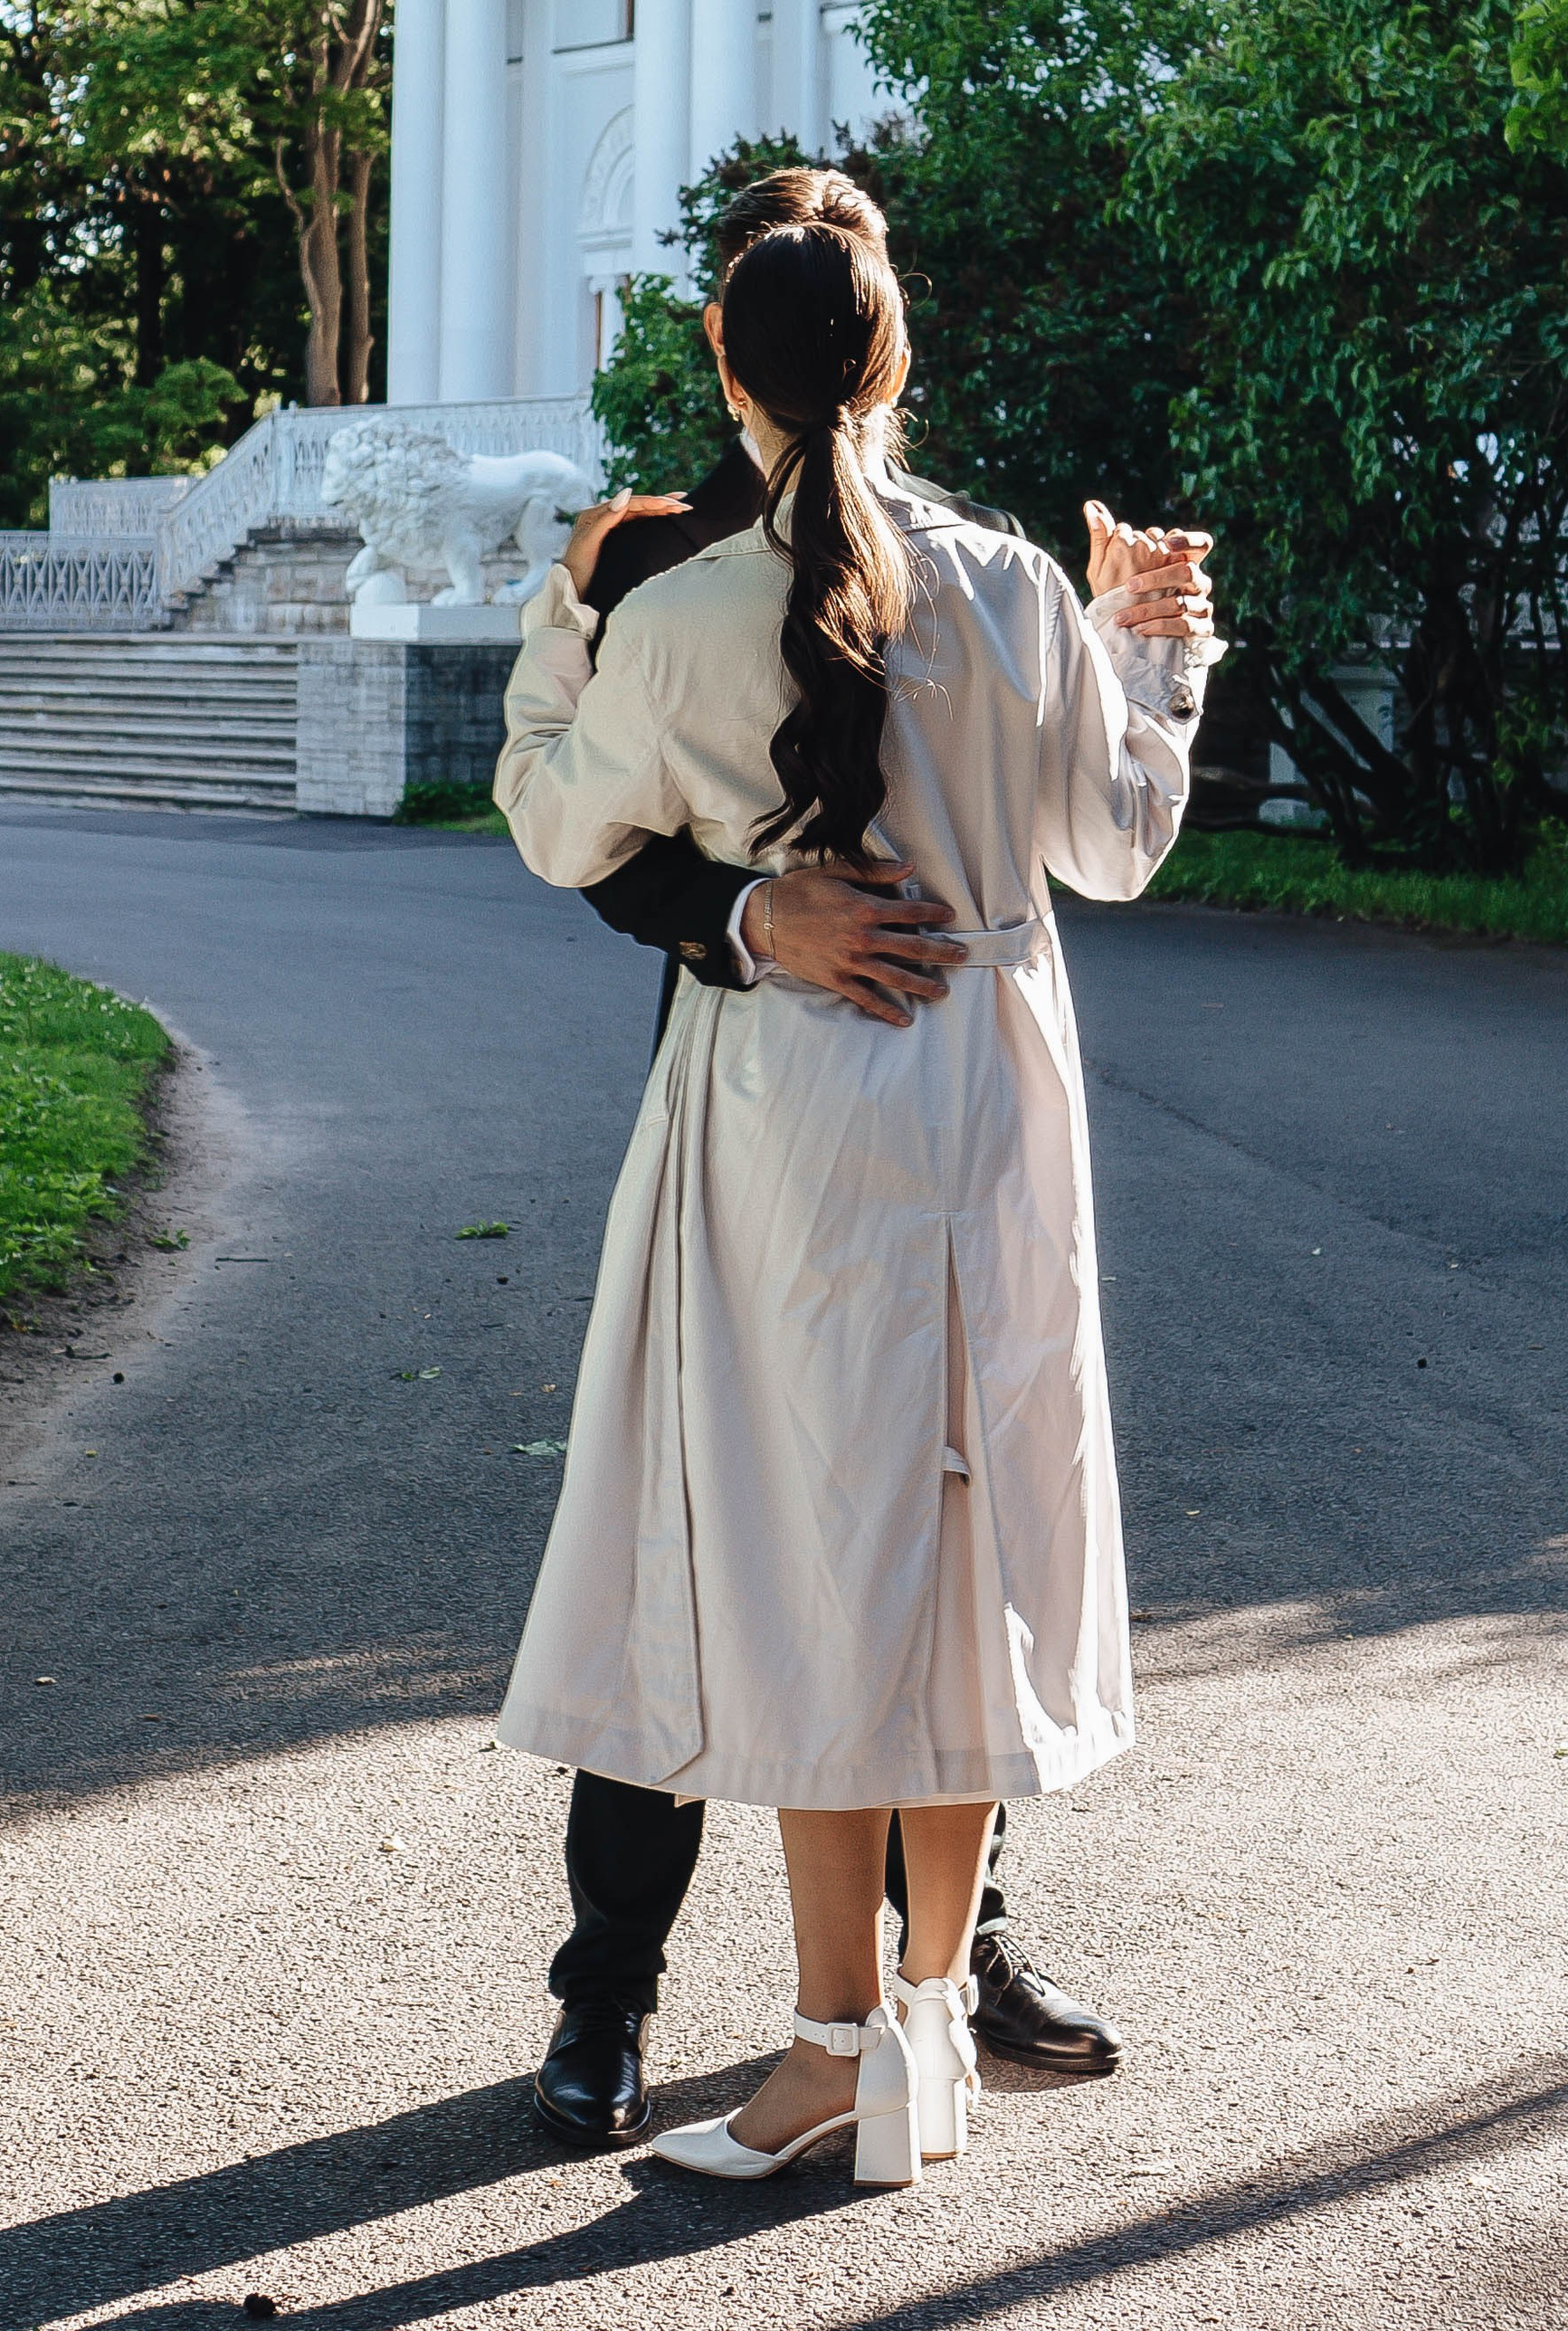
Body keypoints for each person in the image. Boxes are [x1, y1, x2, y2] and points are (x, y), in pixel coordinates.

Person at [493, 213, 1216, 2185]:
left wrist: (566, 608)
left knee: (796, 1543)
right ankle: (914, 2026)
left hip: (789, 1116)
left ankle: (834, 2045)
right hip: (989, 1085)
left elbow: (559, 814)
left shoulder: (679, 607)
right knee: (966, 1538)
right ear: (896, 367)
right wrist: (1150, 633)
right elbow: (1122, 840)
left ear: (732, 374)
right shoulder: (1000, 586)